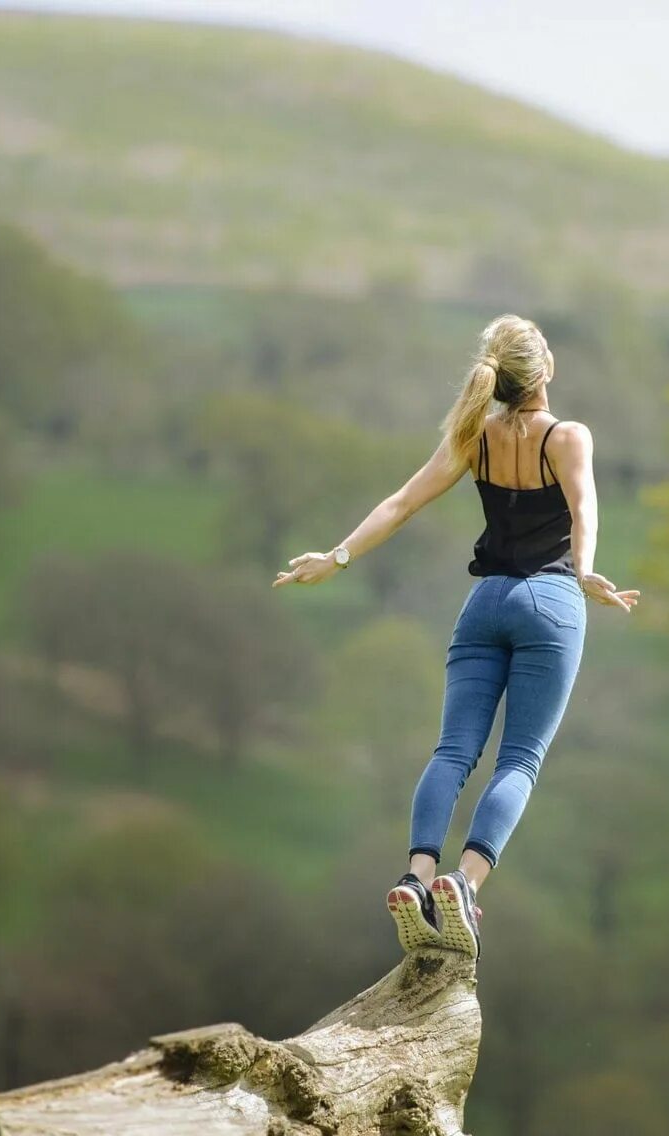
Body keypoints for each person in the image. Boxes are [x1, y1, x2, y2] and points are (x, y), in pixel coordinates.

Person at [273, 313, 638, 957]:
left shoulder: (477, 437)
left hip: (484, 605)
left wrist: (337, 559)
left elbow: (401, 503)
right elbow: (584, 506)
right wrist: (583, 572)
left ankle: (415, 878)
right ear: (544, 370)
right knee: (520, 758)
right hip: (549, 603)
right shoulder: (568, 436)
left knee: (452, 752)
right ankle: (463, 886)